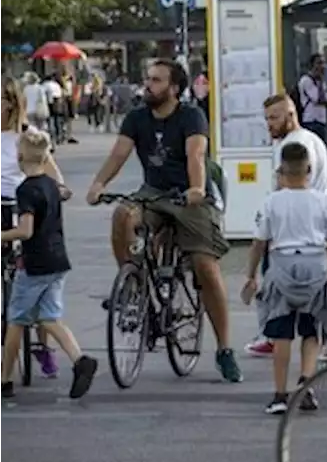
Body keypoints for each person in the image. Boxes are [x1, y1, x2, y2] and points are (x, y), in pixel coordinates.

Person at [85, 59, 242, 383]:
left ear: (173, 88)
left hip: (189, 196)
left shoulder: (190, 116)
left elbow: (196, 155)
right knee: (123, 214)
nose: (148, 85)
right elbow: (119, 154)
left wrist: (197, 188)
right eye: (147, 79)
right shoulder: (136, 118)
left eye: (156, 80)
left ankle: (225, 349)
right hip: (153, 193)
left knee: (205, 266)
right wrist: (99, 184)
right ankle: (133, 285)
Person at [244, 142, 327, 414]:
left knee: (281, 332)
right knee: (313, 329)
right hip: (316, 265)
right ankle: (307, 385)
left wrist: (251, 275)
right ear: (309, 170)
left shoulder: (272, 202)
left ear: (281, 172)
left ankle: (279, 395)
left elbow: (259, 243)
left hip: (282, 266)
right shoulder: (324, 201)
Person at [0, 131, 98, 401]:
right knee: (50, 319)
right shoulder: (52, 186)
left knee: (15, 321)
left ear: (19, 158)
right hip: (58, 260)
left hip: (34, 265)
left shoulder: (25, 190)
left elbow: (26, 231)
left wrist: (3, 235)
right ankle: (79, 360)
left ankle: (5, 378)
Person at [244, 94, 327, 360]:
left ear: (290, 115)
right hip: (316, 227)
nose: (269, 124)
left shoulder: (292, 145)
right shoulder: (313, 139)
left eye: (274, 118)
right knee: (324, 289)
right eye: (266, 119)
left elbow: (282, 186)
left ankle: (271, 336)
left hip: (291, 231)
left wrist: (268, 221)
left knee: (274, 288)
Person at [0, 76, 70, 378]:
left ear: (12, 103)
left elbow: (50, 168)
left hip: (24, 205)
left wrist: (61, 188)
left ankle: (42, 345)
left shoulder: (26, 135)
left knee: (37, 275)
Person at [296, 53, 327, 139]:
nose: (322, 66)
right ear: (312, 65)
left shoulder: (321, 82)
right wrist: (320, 83)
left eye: (323, 63)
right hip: (311, 120)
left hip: (321, 120)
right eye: (319, 63)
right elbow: (319, 99)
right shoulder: (306, 80)